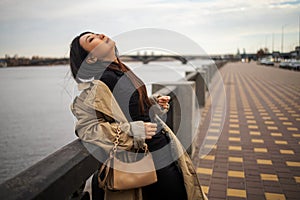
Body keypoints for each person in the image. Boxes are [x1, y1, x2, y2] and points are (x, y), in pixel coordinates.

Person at [69, 31, 207, 200]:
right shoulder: (100, 83)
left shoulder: (120, 71)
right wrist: (132, 130)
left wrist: (151, 104)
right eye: (91, 39)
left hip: (162, 151)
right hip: (148, 162)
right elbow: (87, 129)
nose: (101, 35)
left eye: (96, 33)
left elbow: (130, 110)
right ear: (90, 59)